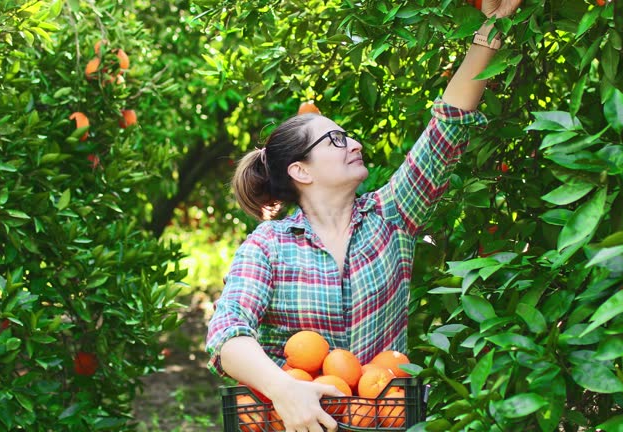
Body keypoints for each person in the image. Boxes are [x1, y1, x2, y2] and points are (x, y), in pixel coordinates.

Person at [206, 1, 523, 430]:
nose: (354, 143)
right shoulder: (269, 246)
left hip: (382, 417)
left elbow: (448, 126)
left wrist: (492, 27)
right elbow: (227, 332)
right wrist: (285, 390)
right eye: (336, 139)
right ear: (300, 171)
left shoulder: (392, 215)